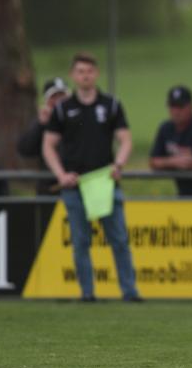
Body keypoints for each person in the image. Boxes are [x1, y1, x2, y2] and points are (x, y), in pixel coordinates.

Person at [41, 53, 140, 302]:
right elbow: (48, 146)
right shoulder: (63, 109)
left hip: (105, 183)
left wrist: (119, 164)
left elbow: (126, 140)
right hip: (76, 186)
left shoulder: (111, 105)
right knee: (81, 242)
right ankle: (87, 293)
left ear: (96, 74)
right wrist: (61, 174)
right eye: (80, 71)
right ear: (73, 75)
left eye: (89, 71)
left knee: (119, 240)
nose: (85, 76)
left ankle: (129, 292)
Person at [17, 77, 70, 194]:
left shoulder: (77, 119)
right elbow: (25, 149)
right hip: (49, 186)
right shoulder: (42, 123)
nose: (59, 101)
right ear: (47, 101)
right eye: (54, 97)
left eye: (62, 96)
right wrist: (40, 125)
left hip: (74, 183)